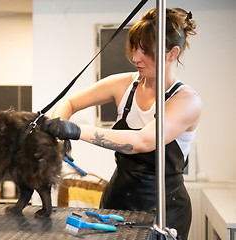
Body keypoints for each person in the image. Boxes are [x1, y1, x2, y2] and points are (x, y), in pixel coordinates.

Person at [43, 8, 200, 240]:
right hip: (116, 200)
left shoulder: (186, 101)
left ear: (172, 53)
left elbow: (142, 141)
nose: (136, 57)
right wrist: (59, 131)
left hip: (165, 208)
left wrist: (76, 131)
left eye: (145, 51)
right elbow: (69, 101)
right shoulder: (124, 85)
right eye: (134, 48)